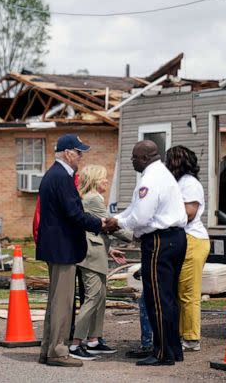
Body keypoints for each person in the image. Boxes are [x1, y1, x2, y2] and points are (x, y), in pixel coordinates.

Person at [104, 140, 187, 366]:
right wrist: (119, 218)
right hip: (174, 238)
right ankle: (172, 349)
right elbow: (134, 210)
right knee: (168, 297)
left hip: (160, 241)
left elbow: (140, 218)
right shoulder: (161, 174)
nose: (131, 161)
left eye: (133, 158)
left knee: (157, 298)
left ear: (144, 158)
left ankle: (162, 353)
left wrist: (116, 224)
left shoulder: (149, 180)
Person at [36, 134, 103, 367]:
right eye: (78, 152)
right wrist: (101, 224)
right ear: (67, 153)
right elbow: (74, 214)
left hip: (56, 247)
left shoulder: (54, 175)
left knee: (56, 302)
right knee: (63, 304)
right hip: (62, 248)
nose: (81, 156)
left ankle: (48, 349)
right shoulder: (62, 177)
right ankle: (58, 351)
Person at [69, 165, 130, 360]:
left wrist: (110, 249)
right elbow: (110, 225)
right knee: (93, 297)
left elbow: (93, 228)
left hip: (98, 252)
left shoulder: (90, 198)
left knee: (100, 297)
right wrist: (136, 236)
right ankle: (76, 344)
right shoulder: (93, 199)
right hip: (91, 256)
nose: (106, 181)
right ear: (95, 180)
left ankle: (94, 340)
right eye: (103, 178)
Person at [165, 146, 210, 352]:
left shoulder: (190, 183)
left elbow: (189, 213)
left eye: (169, 160)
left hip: (193, 239)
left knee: (188, 292)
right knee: (178, 290)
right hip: (182, 239)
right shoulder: (178, 182)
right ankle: (182, 333)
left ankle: (191, 338)